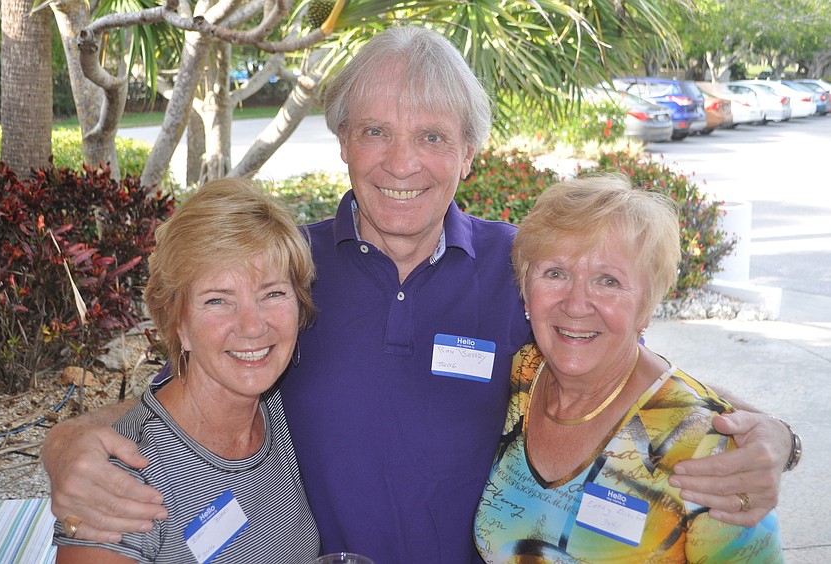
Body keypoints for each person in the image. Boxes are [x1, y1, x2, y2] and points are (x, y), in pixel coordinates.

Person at [42, 26, 797, 563]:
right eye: (376, 131)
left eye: (433, 137)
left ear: (469, 152)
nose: (402, 163)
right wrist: (67, 440)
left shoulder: (522, 268)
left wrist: (772, 434)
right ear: (343, 142)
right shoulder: (285, 272)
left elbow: (630, 374)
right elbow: (197, 378)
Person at [473, 175, 783, 561]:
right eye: (555, 273)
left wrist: (782, 438)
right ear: (525, 291)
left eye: (608, 281)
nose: (576, 304)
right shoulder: (520, 377)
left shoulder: (706, 446)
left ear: (646, 307)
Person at [52, 179, 320, 562]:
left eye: (272, 293)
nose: (252, 326)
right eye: (217, 300)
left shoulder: (280, 410)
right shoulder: (120, 479)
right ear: (178, 323)